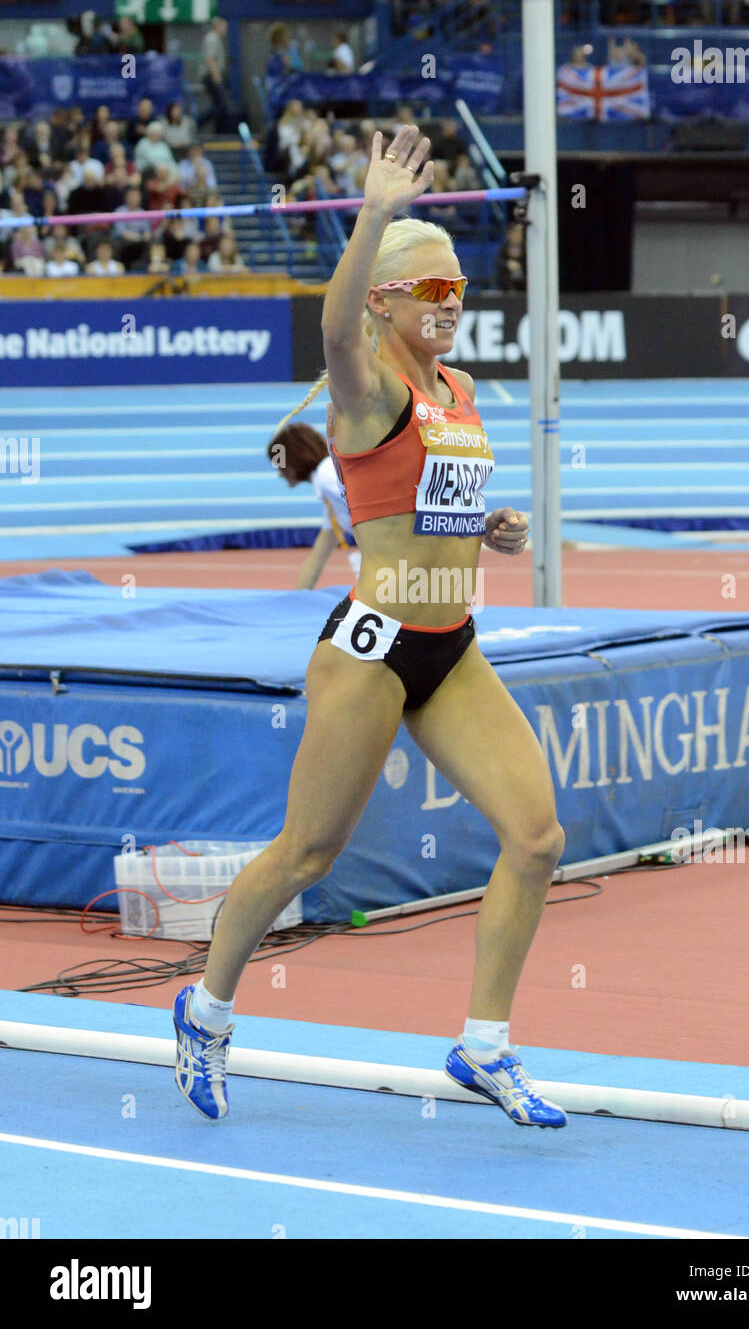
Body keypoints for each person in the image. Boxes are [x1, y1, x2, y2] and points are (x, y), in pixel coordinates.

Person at [172, 123, 567, 1131]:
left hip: (454, 644)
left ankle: (485, 1047)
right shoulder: (367, 387)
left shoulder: (461, 391)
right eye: (435, 293)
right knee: (307, 853)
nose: (454, 305)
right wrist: (375, 212)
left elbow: (416, 507)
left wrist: (488, 525)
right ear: (390, 300)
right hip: (371, 646)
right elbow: (334, 331)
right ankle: (206, 1011)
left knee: (536, 836)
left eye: (461, 292)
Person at [267, 421, 363, 586]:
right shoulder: (330, 498)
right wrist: (297, 599)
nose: (279, 474)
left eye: (279, 465)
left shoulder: (327, 476)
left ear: (292, 460)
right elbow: (317, 558)